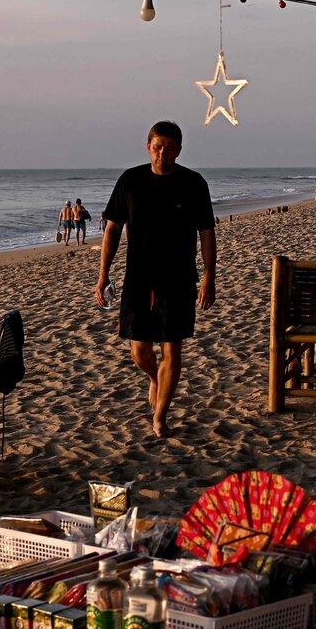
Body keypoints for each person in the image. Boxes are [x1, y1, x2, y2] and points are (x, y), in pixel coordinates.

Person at [94, 121, 216, 439]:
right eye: (158, 146)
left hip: (178, 279)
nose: (163, 153)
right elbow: (112, 229)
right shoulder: (130, 181)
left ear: (179, 150)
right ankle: (153, 378)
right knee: (140, 351)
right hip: (138, 278)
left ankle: (160, 416)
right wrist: (102, 275)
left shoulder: (193, 184)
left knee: (172, 351)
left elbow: (206, 232)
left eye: (170, 148)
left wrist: (209, 277)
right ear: (148, 145)